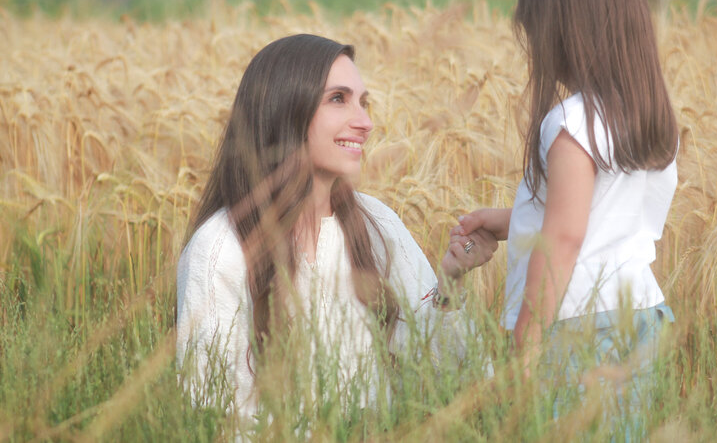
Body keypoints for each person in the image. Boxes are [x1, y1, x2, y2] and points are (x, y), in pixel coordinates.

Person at [175, 34, 496, 425]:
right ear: (284, 109)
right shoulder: (220, 250)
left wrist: (450, 282)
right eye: (338, 99)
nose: (365, 122)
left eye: (364, 102)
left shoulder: (377, 224)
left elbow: (443, 371)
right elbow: (221, 412)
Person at [454, 0, 679, 430]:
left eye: (535, 29)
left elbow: (564, 237)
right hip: (639, 313)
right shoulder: (645, 119)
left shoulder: (572, 121)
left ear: (565, 32)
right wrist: (509, 222)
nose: (532, 43)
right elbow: (598, 218)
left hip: (578, 326)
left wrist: (527, 341)